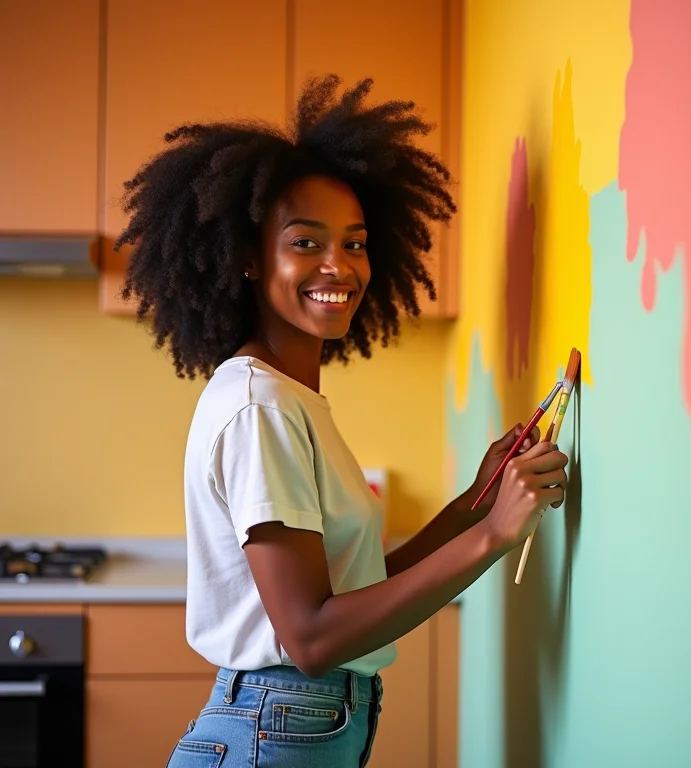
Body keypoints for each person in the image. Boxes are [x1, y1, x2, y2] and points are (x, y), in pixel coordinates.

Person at [115, 74, 568, 768]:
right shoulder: (259, 407)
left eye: (354, 243)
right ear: (246, 258)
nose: (339, 265)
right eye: (306, 242)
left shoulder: (290, 399)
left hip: (294, 726)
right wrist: (494, 539)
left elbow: (354, 590)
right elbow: (313, 638)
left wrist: (478, 504)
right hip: (276, 728)